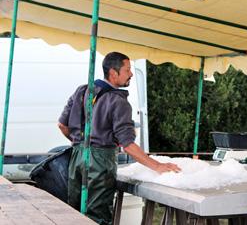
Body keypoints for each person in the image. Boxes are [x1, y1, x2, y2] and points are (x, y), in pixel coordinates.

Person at [58, 52, 181, 225]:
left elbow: (62, 125)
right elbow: (128, 145)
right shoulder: (118, 101)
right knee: (96, 216)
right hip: (100, 163)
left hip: (77, 157)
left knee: (74, 213)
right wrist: (158, 166)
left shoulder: (82, 91)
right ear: (113, 73)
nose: (130, 74)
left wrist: (80, 144)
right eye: (127, 70)